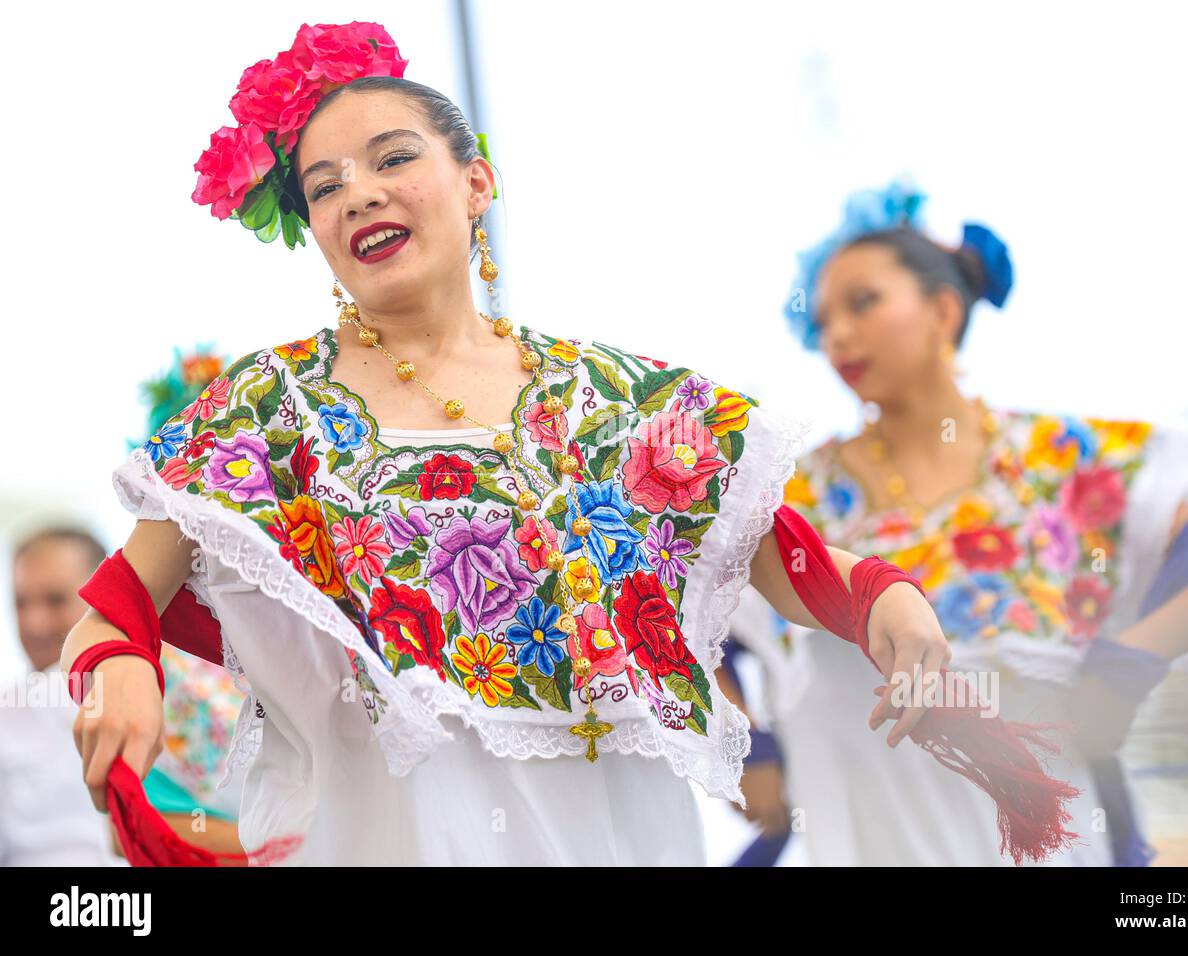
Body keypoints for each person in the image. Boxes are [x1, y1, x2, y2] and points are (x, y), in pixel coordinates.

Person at [58, 23, 976, 866]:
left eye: (392, 159)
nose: (359, 194)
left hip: (609, 833)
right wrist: (118, 671)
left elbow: (777, 552)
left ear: (477, 180)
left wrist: (885, 603)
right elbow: (114, 606)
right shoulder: (264, 412)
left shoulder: (610, 396)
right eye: (324, 186)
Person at [728, 180, 1188, 866]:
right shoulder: (792, 493)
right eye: (824, 318)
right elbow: (705, 620)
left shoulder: (1060, 461)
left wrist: (1124, 668)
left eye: (863, 303)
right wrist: (751, 749)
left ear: (943, 309)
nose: (836, 333)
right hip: (873, 836)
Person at [1, 528, 122, 866]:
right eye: (20, 603)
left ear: (106, 599)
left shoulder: (175, 699)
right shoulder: (6, 718)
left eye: (55, 600)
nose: (34, 623)